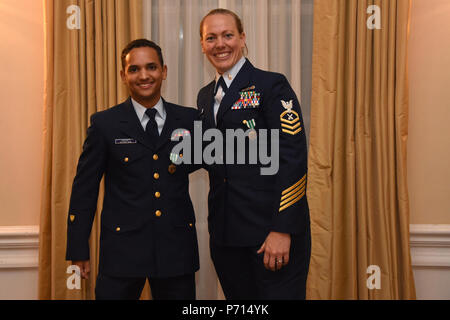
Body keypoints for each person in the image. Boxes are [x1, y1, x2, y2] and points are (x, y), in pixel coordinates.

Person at [66, 39, 200, 300]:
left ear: (164, 70)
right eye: (134, 69)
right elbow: (85, 188)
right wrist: (78, 248)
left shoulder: (189, 119)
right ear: (123, 75)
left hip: (175, 251)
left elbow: (222, 168)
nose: (144, 75)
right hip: (122, 252)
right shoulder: (105, 124)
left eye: (151, 67)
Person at [197, 9, 311, 299]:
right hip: (226, 237)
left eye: (227, 35)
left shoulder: (271, 85)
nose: (219, 44)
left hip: (269, 236)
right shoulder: (205, 95)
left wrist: (282, 230)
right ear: (202, 44)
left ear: (242, 38)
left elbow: (292, 159)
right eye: (211, 37)